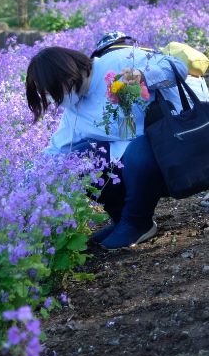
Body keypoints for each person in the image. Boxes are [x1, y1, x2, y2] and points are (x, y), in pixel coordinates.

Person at [25, 37, 184, 250]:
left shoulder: (116, 62)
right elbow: (58, 150)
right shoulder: (75, 107)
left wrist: (143, 76)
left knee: (138, 150)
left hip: (178, 145)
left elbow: (178, 68)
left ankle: (137, 220)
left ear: (65, 76)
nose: (53, 100)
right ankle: (124, 221)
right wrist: (19, 187)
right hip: (137, 162)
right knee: (75, 160)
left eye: (50, 92)